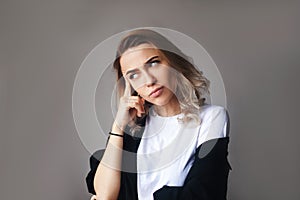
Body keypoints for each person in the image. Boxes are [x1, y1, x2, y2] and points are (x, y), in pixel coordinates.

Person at [86, 29, 231, 200]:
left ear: (173, 63)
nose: (149, 81)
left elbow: (203, 193)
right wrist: (118, 126)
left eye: (154, 63)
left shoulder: (211, 118)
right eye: (134, 75)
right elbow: (105, 196)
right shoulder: (133, 130)